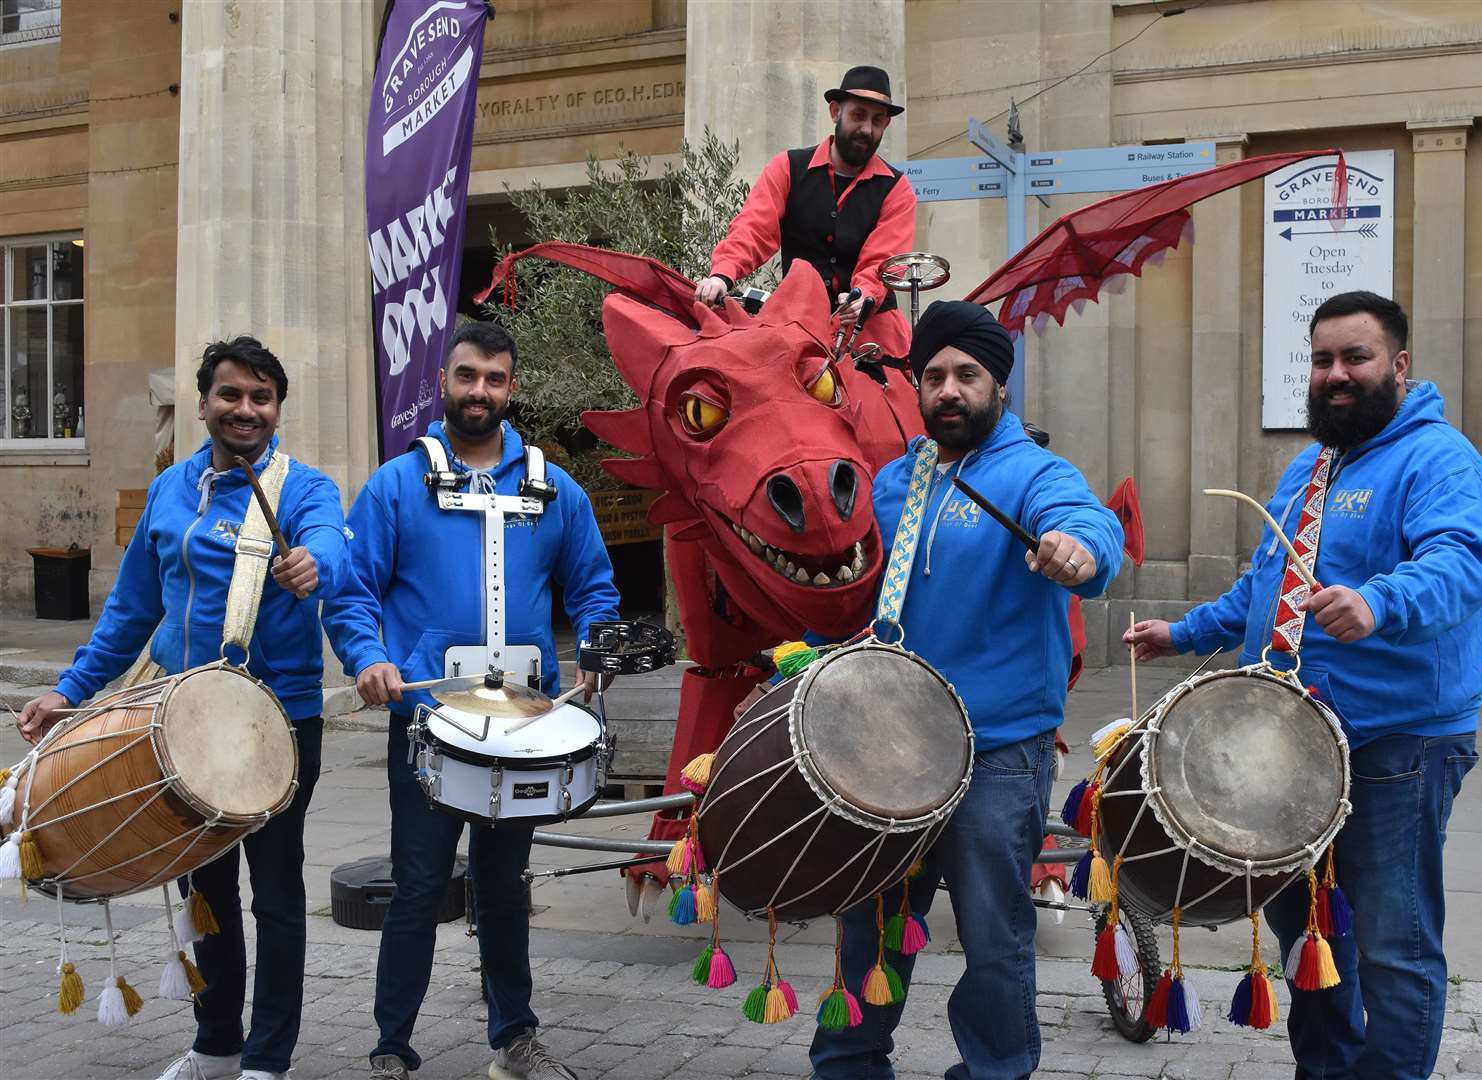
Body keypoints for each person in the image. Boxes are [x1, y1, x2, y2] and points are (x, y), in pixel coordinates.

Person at [1124, 291, 1482, 1080]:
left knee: (1394, 943)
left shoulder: (1441, 460)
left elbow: (1462, 563)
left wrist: (1380, 600)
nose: (1336, 374)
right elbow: (1266, 582)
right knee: (1312, 937)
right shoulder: (1312, 465)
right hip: (1293, 750)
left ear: (1399, 365)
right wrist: (1184, 633)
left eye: (1355, 358)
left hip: (1396, 744)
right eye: (1322, 358)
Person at [808, 301, 1125, 1080]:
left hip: (995, 753)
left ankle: (997, 1069)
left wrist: (1079, 550)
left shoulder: (1038, 475)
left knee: (992, 935)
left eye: (967, 376)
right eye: (935, 376)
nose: (949, 390)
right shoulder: (894, 480)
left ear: (1001, 386)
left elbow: (1089, 526)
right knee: (870, 920)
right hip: (887, 747)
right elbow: (849, 585)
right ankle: (848, 1063)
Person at [19, 337, 350, 1080]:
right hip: (178, 721)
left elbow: (331, 542)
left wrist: (313, 561)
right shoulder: (172, 490)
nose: (246, 409)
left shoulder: (302, 490)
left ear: (277, 410)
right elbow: (131, 609)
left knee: (277, 893)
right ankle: (216, 1043)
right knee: (204, 887)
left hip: (276, 724)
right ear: (203, 404)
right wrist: (68, 691)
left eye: (261, 398)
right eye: (231, 395)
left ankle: (269, 1058)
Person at [322, 321, 620, 1080]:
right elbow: (352, 592)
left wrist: (596, 650)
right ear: (444, 381)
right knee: (419, 886)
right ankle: (392, 1047)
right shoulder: (395, 485)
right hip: (429, 722)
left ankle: (513, 1038)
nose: (478, 391)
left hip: (524, 724)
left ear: (510, 387)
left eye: (494, 379)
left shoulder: (555, 488)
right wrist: (370, 660)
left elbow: (593, 591)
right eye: (466, 376)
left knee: (502, 888)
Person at [694, 64, 917, 360]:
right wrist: (722, 276)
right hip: (798, 329)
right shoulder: (787, 167)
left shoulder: (897, 189)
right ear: (835, 111)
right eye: (858, 115)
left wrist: (862, 295)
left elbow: (882, 260)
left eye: (877, 120)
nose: (867, 129)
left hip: (872, 338)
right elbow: (753, 229)